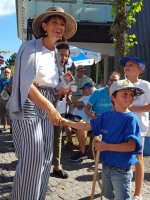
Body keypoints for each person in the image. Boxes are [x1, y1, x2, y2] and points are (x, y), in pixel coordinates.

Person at [6, 6, 77, 200]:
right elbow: (26, 85)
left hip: (47, 103)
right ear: (44, 25)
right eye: (55, 22)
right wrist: (50, 107)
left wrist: (61, 89)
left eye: (62, 24)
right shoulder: (29, 47)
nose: (59, 26)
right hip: (29, 104)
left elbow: (51, 84)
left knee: (46, 159)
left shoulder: (55, 54)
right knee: (32, 160)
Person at [61, 79, 144, 200]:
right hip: (105, 166)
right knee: (108, 195)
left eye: (131, 94)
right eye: (125, 94)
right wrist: (65, 121)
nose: (130, 97)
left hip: (121, 170)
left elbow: (131, 146)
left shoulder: (131, 119)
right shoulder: (106, 116)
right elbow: (85, 126)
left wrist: (106, 147)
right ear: (113, 98)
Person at [120, 56, 150, 200]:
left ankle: (137, 194)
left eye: (131, 64)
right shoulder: (121, 84)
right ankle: (119, 189)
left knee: (138, 159)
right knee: (121, 157)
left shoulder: (146, 85)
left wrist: (132, 108)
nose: (126, 66)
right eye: (125, 65)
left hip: (138, 128)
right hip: (121, 126)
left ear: (140, 69)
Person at [52, 43, 70, 179]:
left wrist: (67, 91)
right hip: (49, 108)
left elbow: (65, 91)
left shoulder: (65, 71)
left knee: (57, 138)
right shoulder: (50, 69)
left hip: (61, 108)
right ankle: (54, 166)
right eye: (61, 54)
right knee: (49, 137)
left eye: (66, 55)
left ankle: (56, 166)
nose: (63, 57)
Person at [64, 82, 94, 161]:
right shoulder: (84, 96)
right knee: (65, 121)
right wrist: (69, 96)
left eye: (84, 89)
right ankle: (70, 143)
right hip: (76, 117)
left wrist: (73, 103)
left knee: (79, 127)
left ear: (89, 89)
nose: (83, 91)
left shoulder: (91, 97)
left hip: (82, 119)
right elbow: (75, 104)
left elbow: (80, 104)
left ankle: (82, 151)